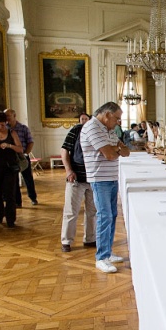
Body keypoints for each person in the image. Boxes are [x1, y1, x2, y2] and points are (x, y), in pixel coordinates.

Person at [81, 102, 130, 273]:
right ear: (107, 114)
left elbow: (126, 151)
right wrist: (115, 149)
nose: (118, 122)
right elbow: (110, 155)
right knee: (104, 216)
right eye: (116, 118)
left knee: (112, 215)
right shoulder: (92, 127)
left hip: (111, 178)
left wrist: (115, 148)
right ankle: (101, 257)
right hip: (99, 179)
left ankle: (107, 253)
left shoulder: (108, 130)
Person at [60, 112, 96, 252]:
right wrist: (68, 171)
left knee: (92, 211)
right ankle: (66, 241)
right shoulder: (76, 130)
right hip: (75, 178)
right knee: (71, 211)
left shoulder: (98, 132)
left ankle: (90, 238)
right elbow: (64, 151)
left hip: (93, 179)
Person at [5, 108, 38, 206]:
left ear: (14, 116)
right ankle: (17, 202)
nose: (7, 119)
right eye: (5, 117)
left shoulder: (23, 128)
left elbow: (30, 142)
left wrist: (26, 154)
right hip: (10, 158)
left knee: (28, 178)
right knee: (14, 180)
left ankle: (33, 198)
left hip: (22, 156)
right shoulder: (5, 129)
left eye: (8, 116)